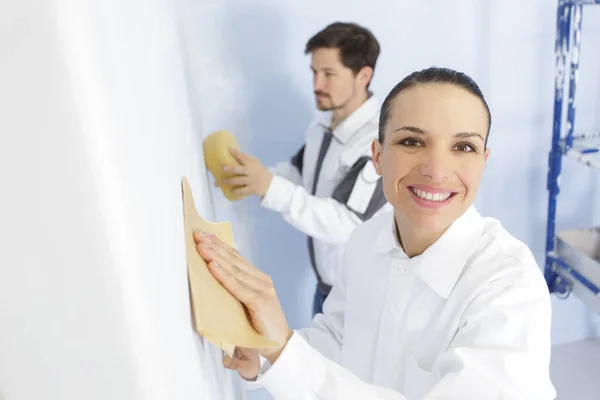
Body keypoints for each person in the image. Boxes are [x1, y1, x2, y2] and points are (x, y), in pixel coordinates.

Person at [195, 67, 556, 399]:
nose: (437, 169)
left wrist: (285, 351)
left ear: (483, 162)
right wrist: (265, 352)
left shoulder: (508, 284)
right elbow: (339, 338)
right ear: (378, 156)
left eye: (463, 147)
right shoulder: (367, 241)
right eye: (412, 141)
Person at [216, 22, 391, 316]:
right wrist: (251, 174)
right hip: (324, 292)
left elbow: (346, 223)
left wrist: (270, 188)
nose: (316, 85)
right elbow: (301, 177)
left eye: (329, 74)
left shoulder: (376, 145)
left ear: (364, 76)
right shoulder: (320, 128)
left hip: (361, 304)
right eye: (314, 72)